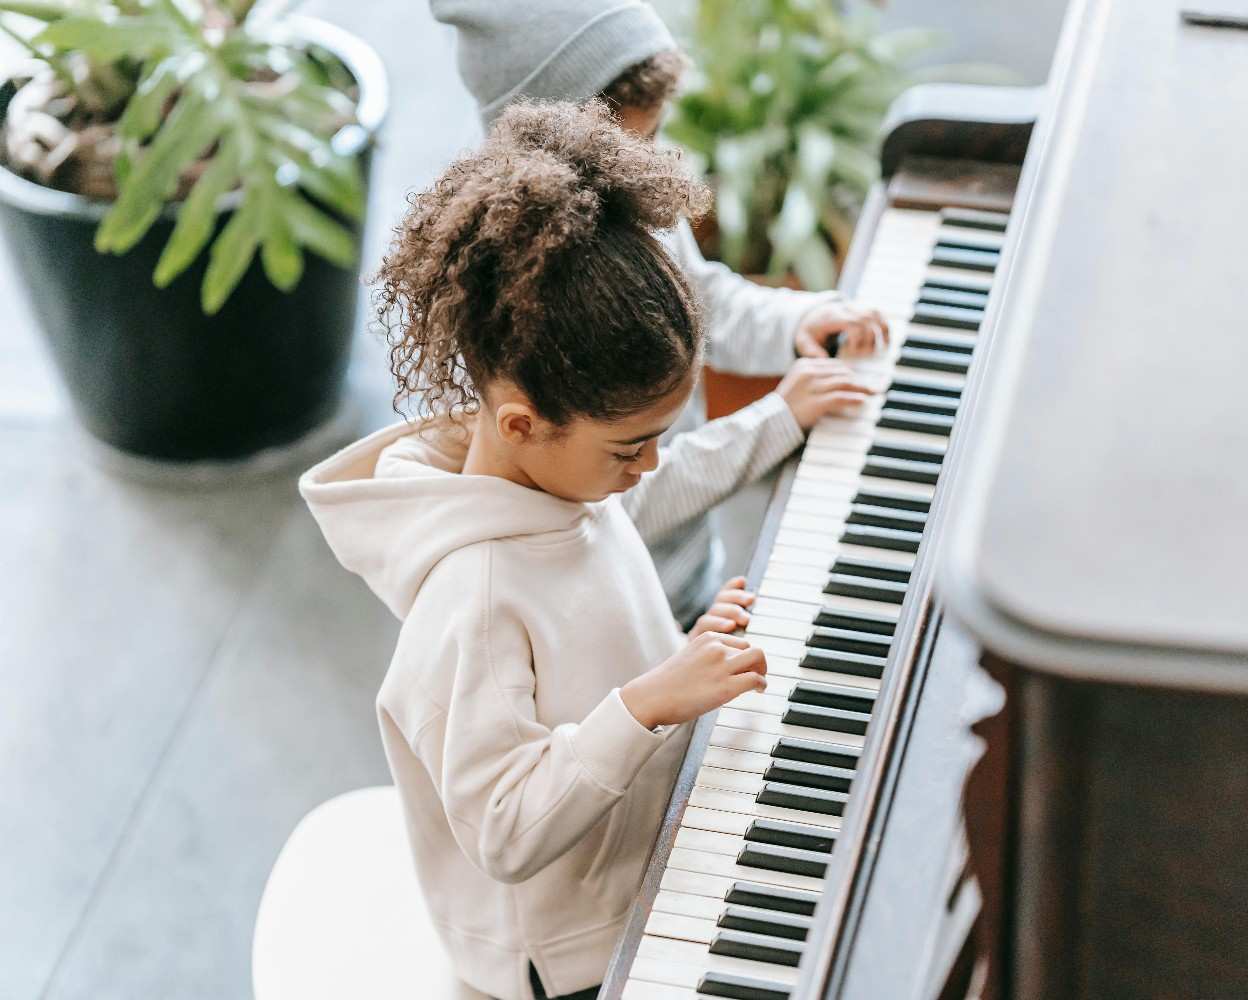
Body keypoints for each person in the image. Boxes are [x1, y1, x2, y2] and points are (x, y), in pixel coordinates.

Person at [300, 101, 870, 1000]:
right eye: (630, 447)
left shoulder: (561, 484)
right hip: (569, 959)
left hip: (638, 855)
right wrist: (651, 701)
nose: (649, 466)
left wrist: (678, 658)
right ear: (522, 425)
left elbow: (597, 652)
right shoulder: (474, 598)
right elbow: (504, 828)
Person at [430, 0, 891, 625]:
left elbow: (703, 299)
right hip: (617, 616)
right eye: (630, 141)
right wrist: (777, 420)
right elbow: (612, 506)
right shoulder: (516, 298)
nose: (646, 160)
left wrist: (794, 323)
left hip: (687, 566)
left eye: (652, 137)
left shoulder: (625, 191)